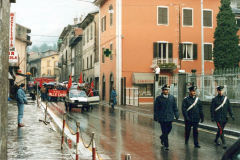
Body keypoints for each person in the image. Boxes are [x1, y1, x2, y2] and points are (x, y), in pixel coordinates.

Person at [154, 84, 179, 150]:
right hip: (162, 117)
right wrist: (156, 116)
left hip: (170, 117)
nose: (167, 91)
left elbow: (175, 107)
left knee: (169, 128)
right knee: (164, 131)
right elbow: (156, 108)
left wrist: (176, 114)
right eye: (165, 90)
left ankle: (162, 137)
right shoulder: (159, 98)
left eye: (168, 90)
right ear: (162, 91)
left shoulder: (172, 97)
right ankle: (166, 145)